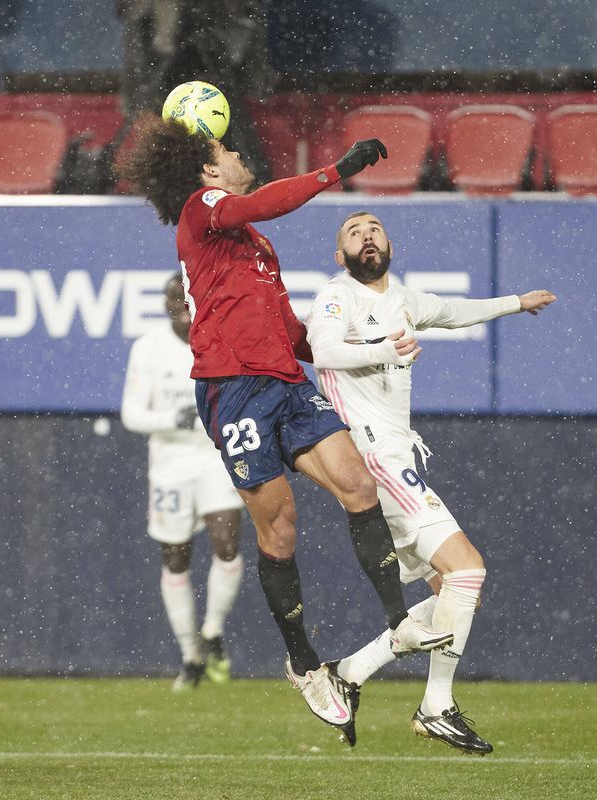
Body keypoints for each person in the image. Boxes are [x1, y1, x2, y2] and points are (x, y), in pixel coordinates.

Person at [118, 121, 452, 745]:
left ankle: (398, 620)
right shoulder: (203, 208)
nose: (239, 153)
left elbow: (292, 334)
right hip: (233, 388)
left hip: (285, 382)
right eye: (227, 149)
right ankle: (303, 662)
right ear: (208, 171)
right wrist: (336, 170)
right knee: (280, 526)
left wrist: (368, 347)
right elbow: (268, 199)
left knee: (358, 484)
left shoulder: (254, 245)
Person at [307, 211, 556, 754]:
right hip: (372, 457)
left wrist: (515, 302)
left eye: (374, 228)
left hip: (398, 455)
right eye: (354, 231)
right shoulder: (336, 295)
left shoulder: (402, 299)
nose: (366, 235)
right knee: (466, 569)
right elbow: (322, 350)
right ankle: (435, 706)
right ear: (339, 255)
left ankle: (347, 672)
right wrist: (383, 350)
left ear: (390, 243)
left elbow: (452, 312)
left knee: (455, 593)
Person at [121, 274, 246, 692]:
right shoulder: (148, 348)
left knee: (227, 542)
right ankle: (190, 655)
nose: (183, 304)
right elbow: (131, 414)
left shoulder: (222, 339)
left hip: (214, 457)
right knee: (176, 559)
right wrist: (172, 419)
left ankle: (212, 630)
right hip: (171, 464)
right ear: (166, 303)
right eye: (176, 297)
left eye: (189, 296)